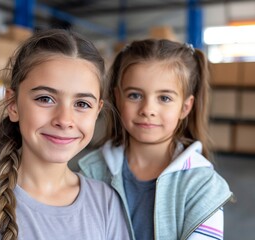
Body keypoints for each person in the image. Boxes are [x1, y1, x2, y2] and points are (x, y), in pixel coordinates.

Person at [0, 29, 130, 240]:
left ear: (97, 111)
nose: (64, 120)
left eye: (81, 104)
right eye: (45, 99)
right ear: (13, 105)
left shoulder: (106, 202)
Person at [78, 39, 234, 240]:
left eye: (164, 98)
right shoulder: (91, 172)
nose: (147, 110)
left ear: (185, 107)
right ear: (118, 98)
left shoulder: (203, 185)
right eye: (135, 95)